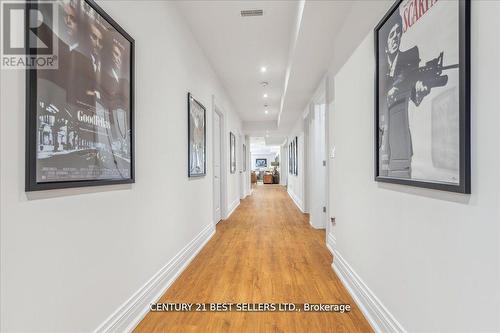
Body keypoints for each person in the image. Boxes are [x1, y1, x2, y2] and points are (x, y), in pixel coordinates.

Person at [379, 12, 431, 179]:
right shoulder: (380, 72)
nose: (395, 38)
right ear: (385, 42)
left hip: (400, 141)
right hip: (382, 143)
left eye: (398, 33)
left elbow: (413, 94)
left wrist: (419, 91)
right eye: (391, 34)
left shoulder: (409, 60)